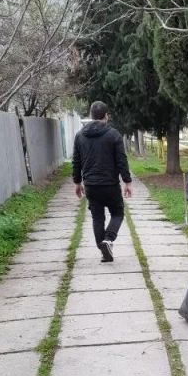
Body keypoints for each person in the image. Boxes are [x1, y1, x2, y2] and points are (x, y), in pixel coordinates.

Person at [72, 101, 133, 262]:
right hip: (110, 185)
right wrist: (127, 182)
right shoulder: (113, 134)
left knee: (97, 218)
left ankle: (103, 250)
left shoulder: (80, 136)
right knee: (118, 213)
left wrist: (77, 183)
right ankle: (108, 240)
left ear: (92, 116)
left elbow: (76, 161)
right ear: (106, 116)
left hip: (91, 185)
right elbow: (121, 160)